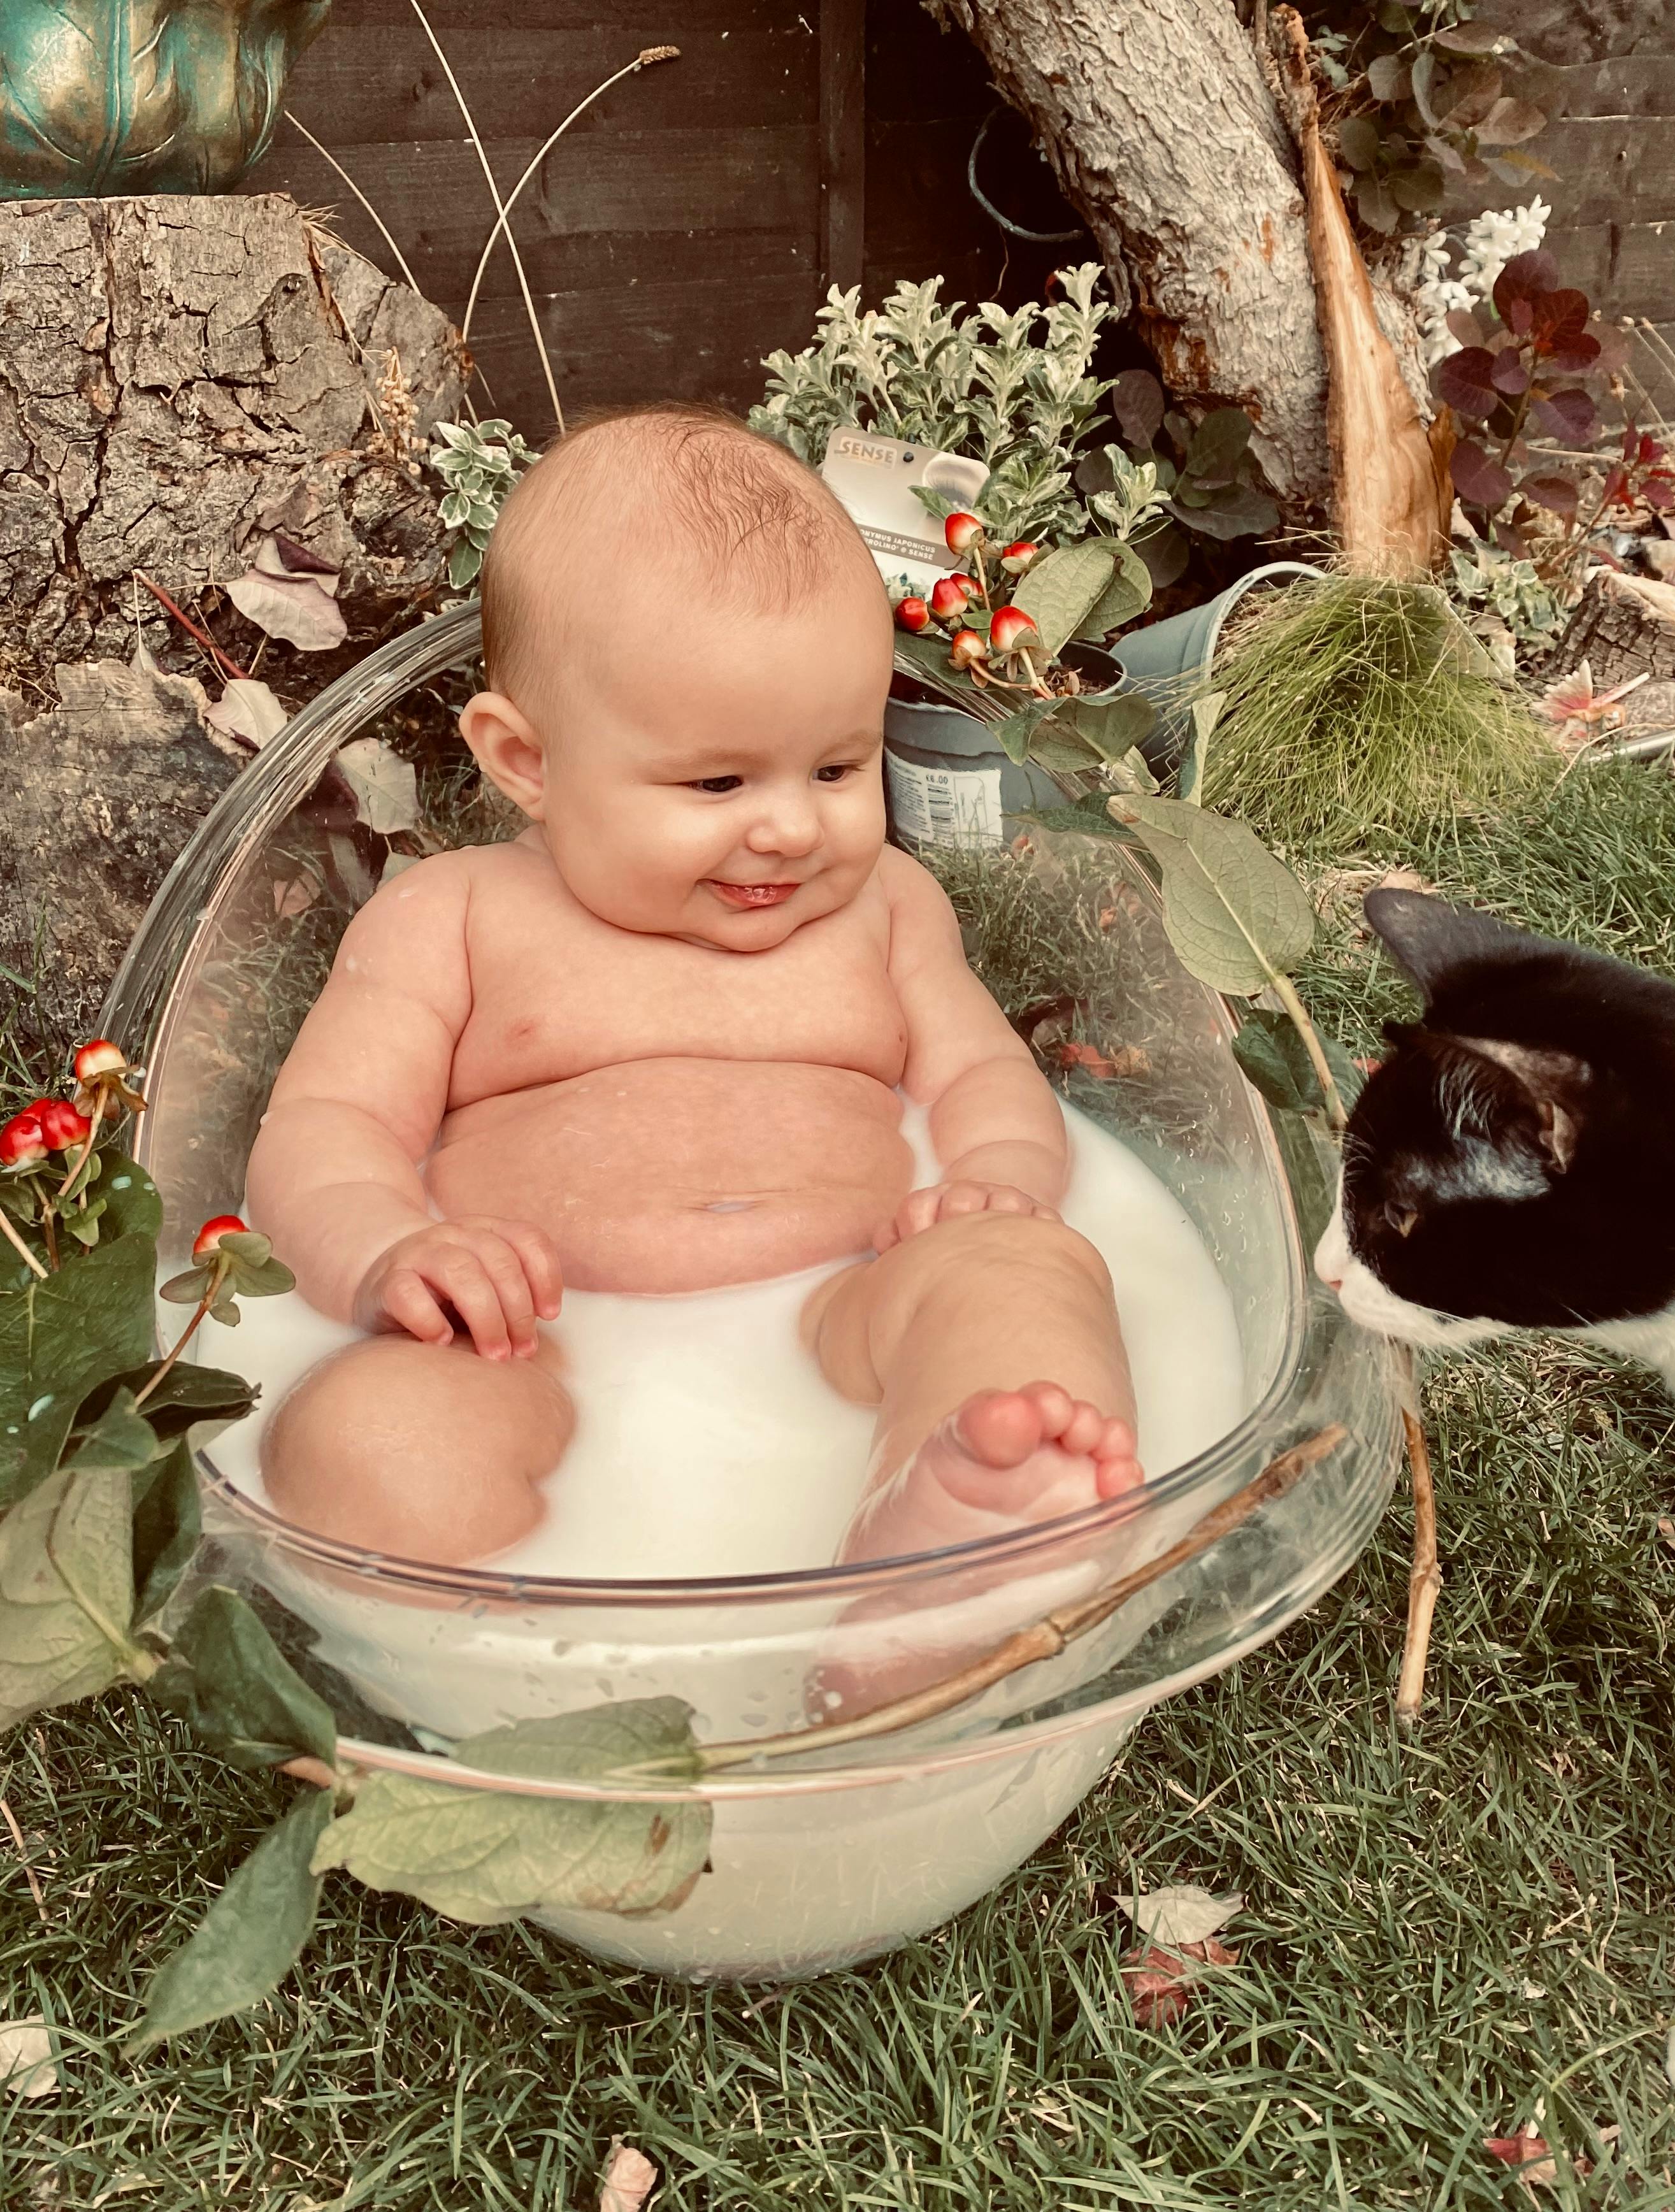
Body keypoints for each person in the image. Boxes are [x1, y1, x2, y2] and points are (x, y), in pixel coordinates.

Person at [248, 402, 1141, 1569]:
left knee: (1029, 1279)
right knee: (363, 1432)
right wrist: (386, 1252)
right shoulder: (451, 916)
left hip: (855, 1300)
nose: (788, 826)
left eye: (836, 766)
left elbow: (982, 1073)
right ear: (526, 761)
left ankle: (948, 1538)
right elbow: (325, 1127)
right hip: (527, 1343)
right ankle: (510, 1674)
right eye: (718, 783)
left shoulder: (886, 910)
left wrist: (992, 1187)